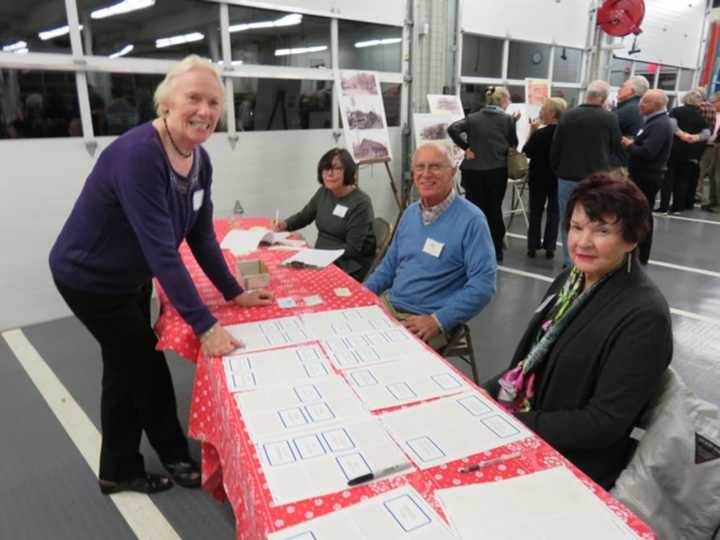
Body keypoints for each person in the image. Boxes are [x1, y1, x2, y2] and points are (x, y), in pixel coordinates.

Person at [49, 55, 274, 496]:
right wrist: (205, 326)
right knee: (146, 368)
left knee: (123, 368)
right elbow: (161, 251)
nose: (205, 111)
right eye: (194, 98)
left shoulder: (200, 160)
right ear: (166, 104)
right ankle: (171, 453)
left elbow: (201, 235)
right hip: (89, 277)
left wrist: (233, 293)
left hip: (128, 276)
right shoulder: (139, 155)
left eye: (214, 102)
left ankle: (118, 468)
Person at [482, 174, 672, 490]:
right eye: (576, 227)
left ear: (632, 238)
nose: (583, 242)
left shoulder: (644, 316)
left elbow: (602, 424)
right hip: (529, 425)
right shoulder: (570, 281)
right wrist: (482, 396)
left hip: (574, 466)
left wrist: (508, 423)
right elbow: (527, 363)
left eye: (602, 231)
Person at [365, 143, 497, 349]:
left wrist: (438, 320)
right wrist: (362, 293)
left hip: (425, 320)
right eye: (420, 167)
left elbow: (483, 286)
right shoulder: (409, 214)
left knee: (384, 356)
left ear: (452, 172)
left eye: (435, 166)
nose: (426, 174)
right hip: (389, 305)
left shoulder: (472, 221)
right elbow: (388, 267)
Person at [273, 148, 376, 281]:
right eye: (325, 169)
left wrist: (311, 250)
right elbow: (304, 216)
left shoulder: (361, 203)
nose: (329, 174)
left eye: (336, 168)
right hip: (321, 257)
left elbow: (352, 249)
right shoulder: (324, 192)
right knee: (282, 273)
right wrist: (285, 224)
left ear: (349, 171)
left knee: (297, 280)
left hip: (348, 265)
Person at [551, 79, 624, 266]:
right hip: (595, 178)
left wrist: (557, 169)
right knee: (594, 220)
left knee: (569, 219)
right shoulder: (610, 118)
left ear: (587, 95)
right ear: (604, 99)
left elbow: (556, 147)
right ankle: (588, 257)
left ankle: (570, 261)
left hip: (567, 176)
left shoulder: (568, 116)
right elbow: (617, 147)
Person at [447, 86, 519, 262]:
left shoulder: (473, 118)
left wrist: (466, 148)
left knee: (474, 212)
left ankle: (473, 249)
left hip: (473, 172)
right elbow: (513, 143)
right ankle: (496, 250)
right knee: (494, 209)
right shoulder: (507, 119)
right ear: (501, 100)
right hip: (497, 171)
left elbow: (453, 129)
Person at [621, 89, 673, 265]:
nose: (640, 105)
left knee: (643, 214)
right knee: (640, 213)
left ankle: (642, 254)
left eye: (645, 102)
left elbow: (648, 152)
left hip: (647, 176)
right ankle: (636, 251)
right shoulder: (652, 122)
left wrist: (629, 145)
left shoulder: (659, 124)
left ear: (657, 105)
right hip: (642, 174)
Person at [523, 97, 567, 259]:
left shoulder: (541, 133)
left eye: (544, 110)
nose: (541, 112)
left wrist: (532, 131)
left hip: (538, 177)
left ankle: (532, 246)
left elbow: (526, 150)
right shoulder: (566, 134)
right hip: (558, 176)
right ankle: (550, 247)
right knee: (554, 212)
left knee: (535, 211)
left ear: (552, 113)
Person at [658, 90, 708, 213]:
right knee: (682, 180)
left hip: (674, 149)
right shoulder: (700, 117)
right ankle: (677, 207)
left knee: (668, 179)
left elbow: (672, 125)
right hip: (690, 152)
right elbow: (707, 133)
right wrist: (694, 137)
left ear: (685, 99)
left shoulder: (676, 111)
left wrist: (682, 134)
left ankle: (663, 206)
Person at [612, 75, 650, 173]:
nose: (619, 89)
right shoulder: (636, 107)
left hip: (617, 163)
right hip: (625, 160)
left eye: (622, 86)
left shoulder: (629, 109)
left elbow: (606, 128)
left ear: (631, 91)